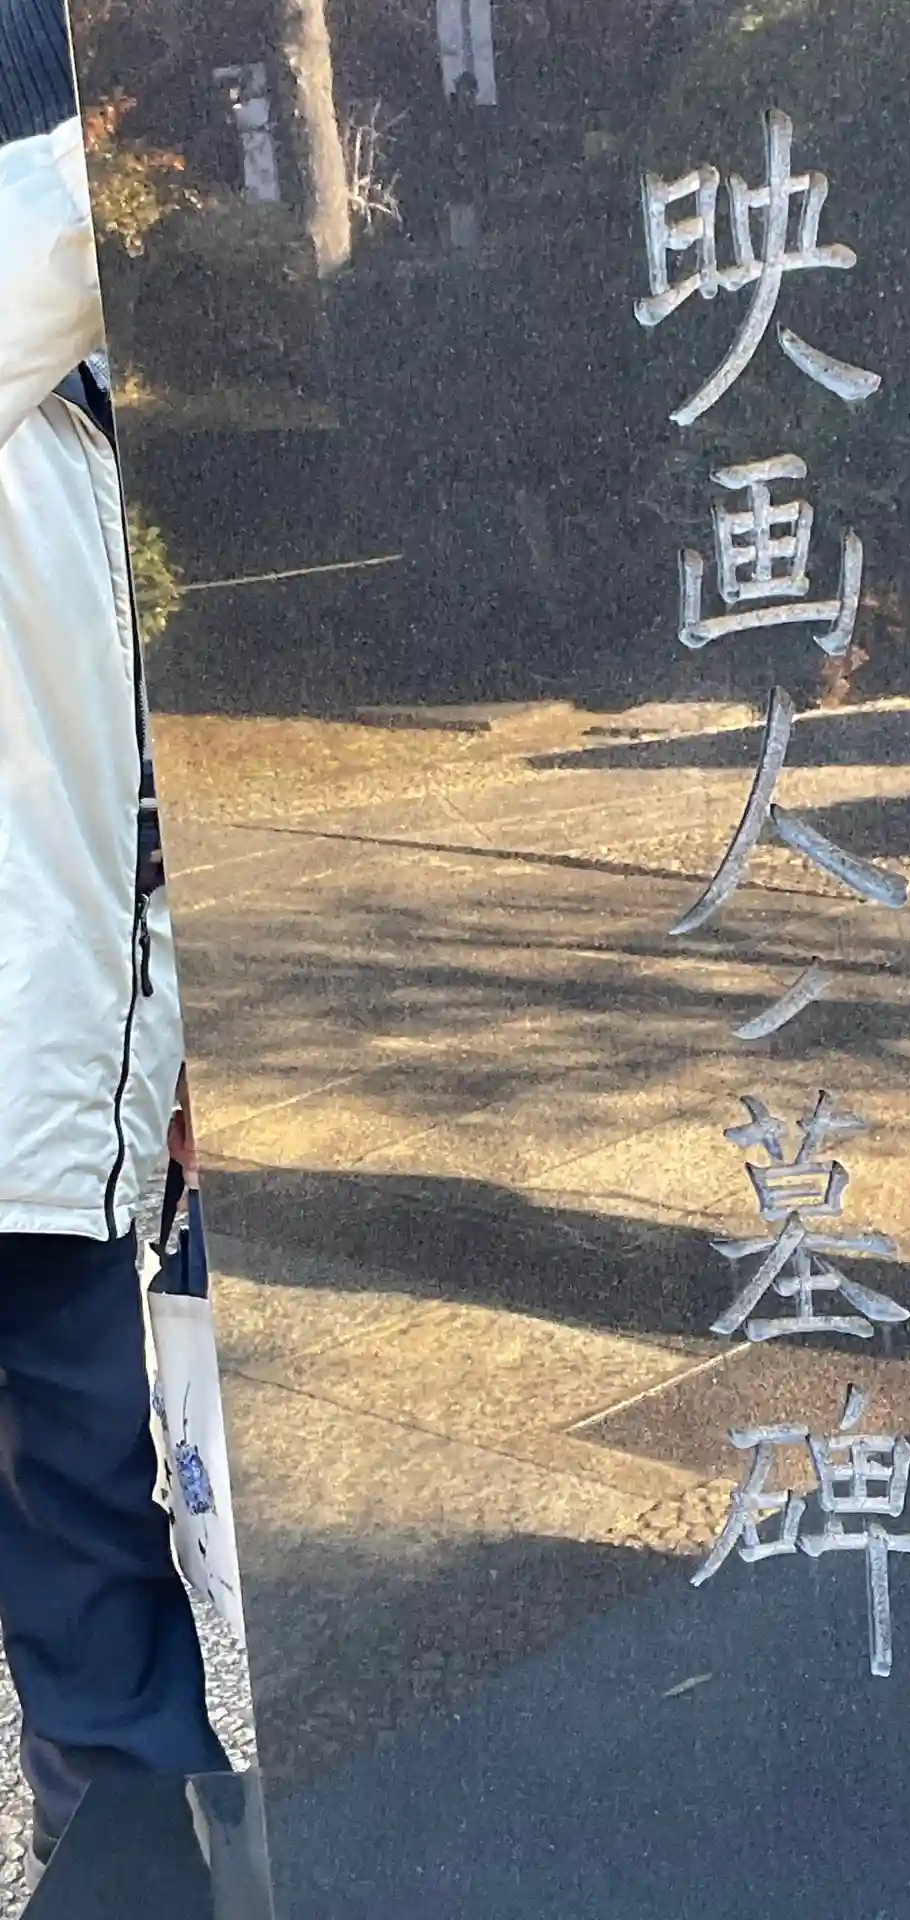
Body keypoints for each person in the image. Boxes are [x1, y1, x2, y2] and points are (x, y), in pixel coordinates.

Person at [0, 0, 230, 1886]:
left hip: (53, 1086)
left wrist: (169, 1049)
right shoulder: (46, 313)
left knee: (83, 1531)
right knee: (80, 1528)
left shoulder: (66, 400)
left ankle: (129, 1860)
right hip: (24, 1093)